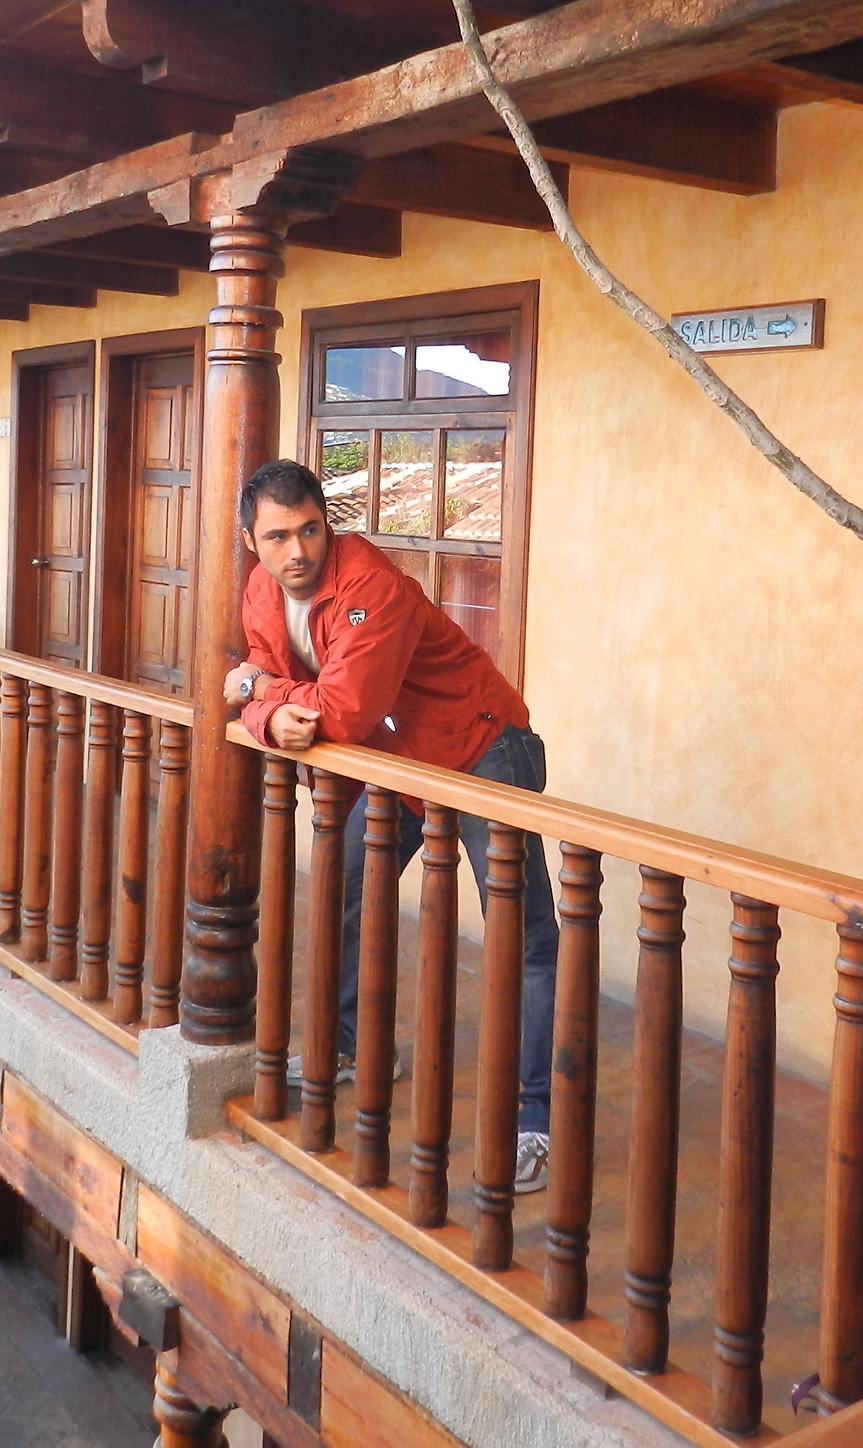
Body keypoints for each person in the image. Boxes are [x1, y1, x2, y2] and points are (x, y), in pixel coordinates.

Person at [226, 458, 557, 1196]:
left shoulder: (370, 583)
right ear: (254, 542)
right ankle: (350, 1048)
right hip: (397, 767)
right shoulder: (261, 590)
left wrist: (256, 695)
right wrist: (265, 699)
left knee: (522, 936)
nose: (297, 551)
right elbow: (257, 669)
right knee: (343, 888)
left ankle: (535, 1117)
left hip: (480, 751)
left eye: (310, 530)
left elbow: (337, 713)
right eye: (278, 537)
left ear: (326, 525)